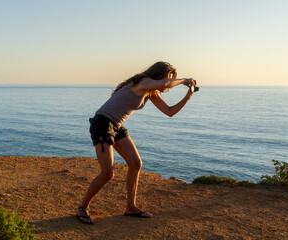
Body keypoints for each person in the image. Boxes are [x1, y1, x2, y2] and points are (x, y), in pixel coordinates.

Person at [76, 61, 197, 224]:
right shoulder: (143, 82)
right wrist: (183, 80)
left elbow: (169, 112)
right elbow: (166, 83)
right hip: (102, 124)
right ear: (159, 76)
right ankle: (82, 208)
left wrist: (187, 96)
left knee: (135, 163)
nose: (166, 85)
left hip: (116, 126)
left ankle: (131, 207)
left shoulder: (151, 92)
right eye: (167, 78)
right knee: (107, 173)